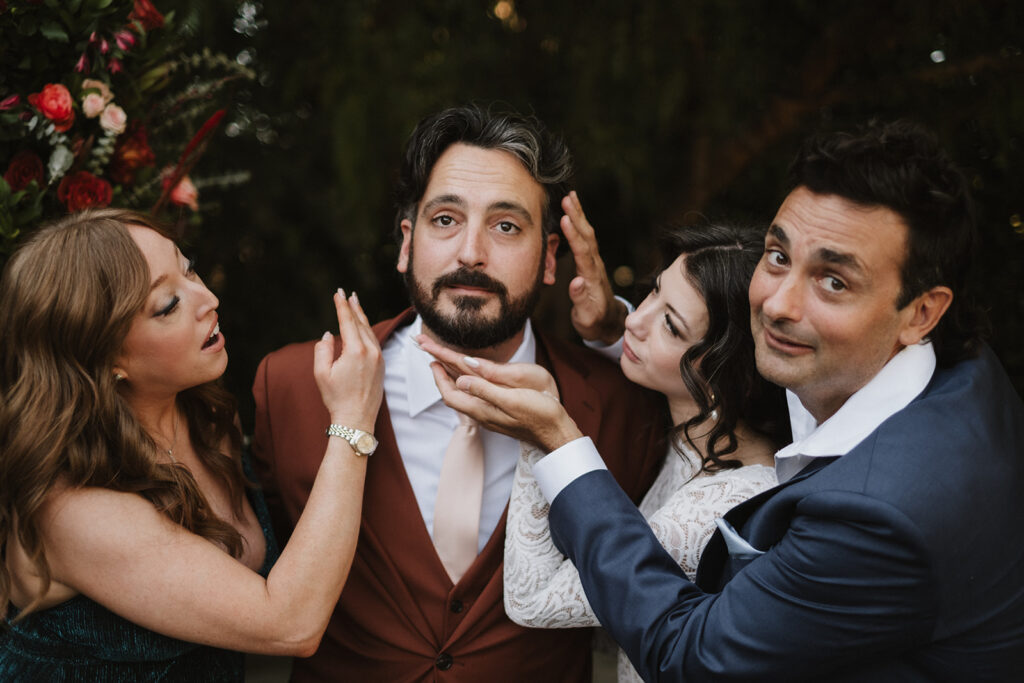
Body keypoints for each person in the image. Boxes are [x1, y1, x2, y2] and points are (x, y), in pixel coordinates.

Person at [429, 121, 1024, 680]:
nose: (778, 304)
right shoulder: (953, 365)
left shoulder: (882, 517)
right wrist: (619, 329)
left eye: (834, 281)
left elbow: (692, 658)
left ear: (922, 311)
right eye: (779, 256)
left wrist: (553, 440)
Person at [251, 105, 666, 681]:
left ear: (550, 258)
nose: (471, 252)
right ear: (406, 243)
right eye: (445, 219)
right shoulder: (289, 387)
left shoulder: (623, 406)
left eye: (506, 226)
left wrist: (615, 334)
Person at [0, 209, 383, 680]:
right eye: (168, 305)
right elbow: (290, 623)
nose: (210, 299)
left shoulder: (208, 417)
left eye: (191, 268)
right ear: (104, 358)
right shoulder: (75, 509)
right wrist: (352, 418)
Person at [419, 209, 790, 683]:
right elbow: (642, 335)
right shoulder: (694, 431)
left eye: (670, 326)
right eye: (654, 290)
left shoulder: (719, 507)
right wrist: (609, 324)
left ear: (722, 372)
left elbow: (534, 601)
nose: (637, 322)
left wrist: (543, 438)